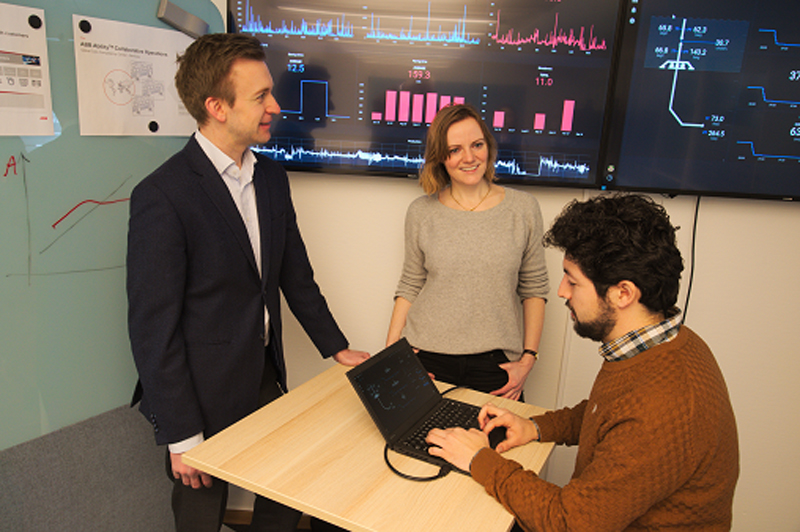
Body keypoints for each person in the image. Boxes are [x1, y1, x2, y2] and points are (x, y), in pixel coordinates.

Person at [126, 33, 369, 532]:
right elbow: (154, 329)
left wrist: (337, 348)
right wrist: (182, 436)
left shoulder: (273, 178)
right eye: (261, 96)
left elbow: (295, 277)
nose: (275, 106)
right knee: (200, 515)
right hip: (196, 391)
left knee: (286, 491)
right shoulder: (162, 196)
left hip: (259, 373)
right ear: (216, 106)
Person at [426, 194, 740, 531]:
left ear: (623, 293)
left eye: (572, 281)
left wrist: (479, 459)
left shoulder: (662, 407)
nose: (562, 291)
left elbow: (569, 522)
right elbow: (609, 413)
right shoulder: (667, 342)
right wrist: (536, 427)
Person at [386, 104, 548, 401]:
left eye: (477, 145)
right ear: (440, 157)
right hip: (426, 358)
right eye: (455, 150)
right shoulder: (421, 212)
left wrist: (529, 358)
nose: (470, 158)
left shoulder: (523, 209)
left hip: (495, 364)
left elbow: (534, 288)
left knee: (496, 446)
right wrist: (392, 356)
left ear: (489, 145)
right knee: (417, 445)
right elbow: (410, 284)